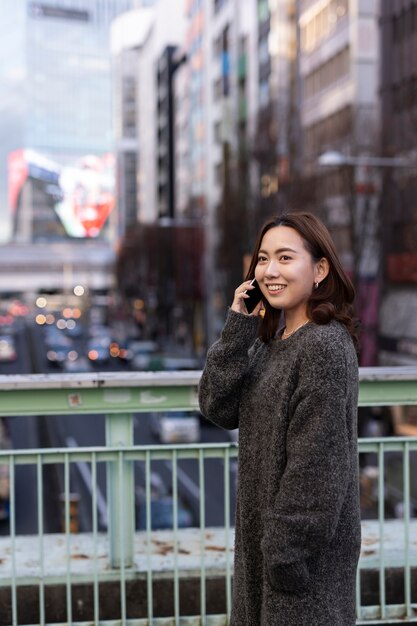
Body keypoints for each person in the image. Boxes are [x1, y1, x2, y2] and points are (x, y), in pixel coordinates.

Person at [198, 212, 361, 625]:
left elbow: (317, 465)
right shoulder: (271, 343)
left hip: (300, 570)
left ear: (320, 269)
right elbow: (217, 406)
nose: (270, 271)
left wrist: (284, 557)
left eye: (286, 258)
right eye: (263, 259)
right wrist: (238, 326)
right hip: (264, 554)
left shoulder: (323, 347)